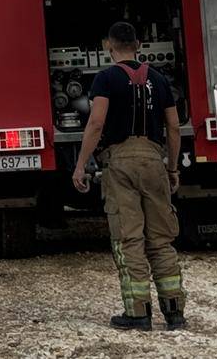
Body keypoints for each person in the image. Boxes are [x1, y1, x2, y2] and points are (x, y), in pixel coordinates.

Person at [71, 21, 187, 331]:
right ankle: (174, 311)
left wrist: (81, 164)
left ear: (109, 46)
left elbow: (96, 124)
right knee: (161, 239)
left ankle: (138, 313)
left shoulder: (105, 79)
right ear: (138, 45)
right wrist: (172, 168)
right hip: (153, 161)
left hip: (120, 163)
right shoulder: (159, 80)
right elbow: (173, 128)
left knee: (130, 238)